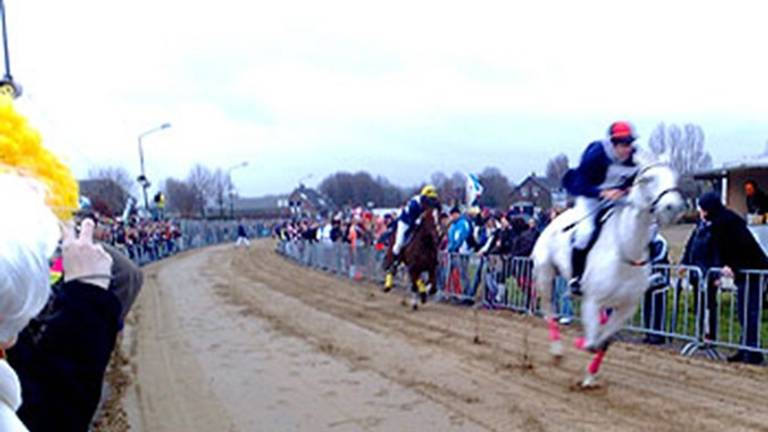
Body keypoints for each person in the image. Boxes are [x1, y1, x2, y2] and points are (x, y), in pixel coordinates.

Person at [561, 121, 640, 295]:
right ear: (614, 144)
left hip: (619, 199)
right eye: (624, 144)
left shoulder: (635, 158)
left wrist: (628, 188)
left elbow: (637, 179)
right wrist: (601, 193)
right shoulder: (595, 155)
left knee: (643, 225)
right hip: (590, 198)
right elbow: (578, 184)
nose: (628, 149)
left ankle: (650, 270)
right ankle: (577, 277)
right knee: (585, 233)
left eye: (630, 144)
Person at [698, 192, 768, 365]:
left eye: (702, 208)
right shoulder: (719, 222)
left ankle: (752, 352)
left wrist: (732, 266)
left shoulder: (728, 222)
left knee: (750, 311)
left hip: (753, 269)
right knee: (742, 311)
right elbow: (723, 249)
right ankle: (745, 349)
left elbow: (741, 246)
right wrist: (724, 266)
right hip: (744, 271)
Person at [390, 185, 441, 258]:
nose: (431, 202)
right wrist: (418, 221)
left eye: (432, 199)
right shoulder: (415, 203)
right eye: (430, 199)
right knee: (399, 242)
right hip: (406, 222)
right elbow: (412, 219)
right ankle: (395, 261)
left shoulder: (430, 204)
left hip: (417, 222)